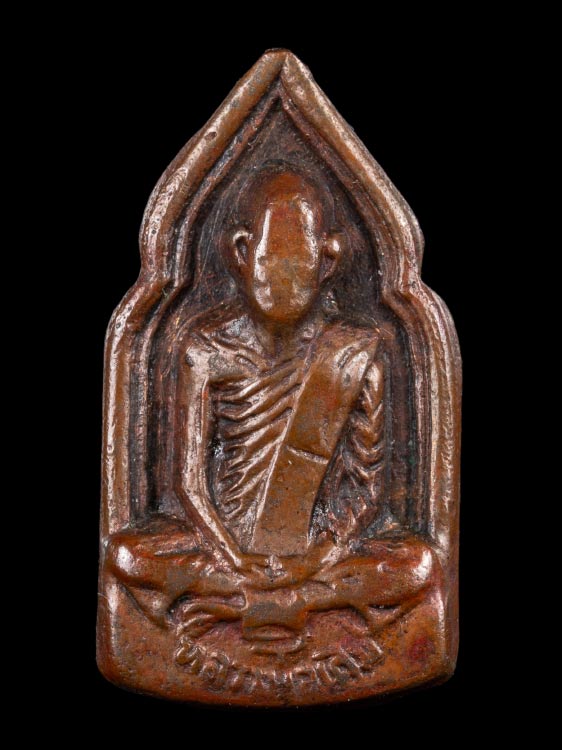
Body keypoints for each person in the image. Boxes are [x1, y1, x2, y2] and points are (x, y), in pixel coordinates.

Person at [107, 163, 437, 651]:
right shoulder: (206, 349)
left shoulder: (353, 352)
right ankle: (293, 601)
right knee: (127, 554)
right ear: (242, 253)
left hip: (314, 556)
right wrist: (235, 557)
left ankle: (260, 600)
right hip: (223, 547)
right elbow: (188, 483)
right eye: (271, 258)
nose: (284, 278)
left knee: (418, 564)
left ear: (327, 261)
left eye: (299, 260)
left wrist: (314, 560)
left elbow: (365, 490)